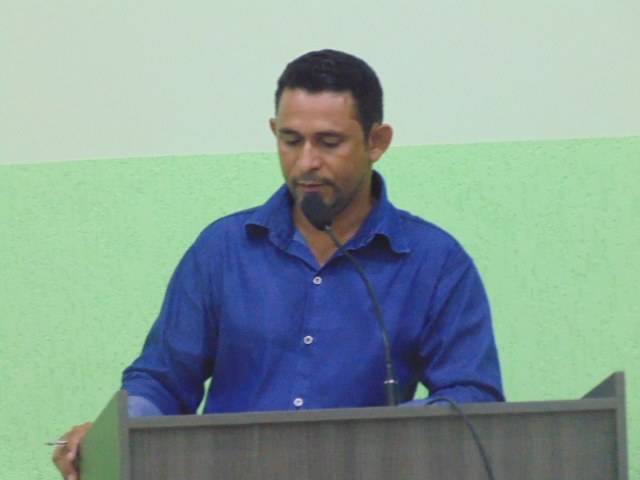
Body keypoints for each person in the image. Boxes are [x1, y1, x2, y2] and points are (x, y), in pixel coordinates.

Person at [53, 49, 504, 479]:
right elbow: (163, 381)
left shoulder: (435, 262)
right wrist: (111, 433)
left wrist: (377, 436)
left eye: (329, 142)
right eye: (290, 140)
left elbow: (471, 398)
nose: (306, 162)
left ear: (376, 142)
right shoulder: (223, 250)